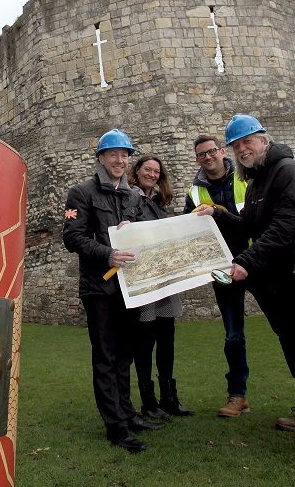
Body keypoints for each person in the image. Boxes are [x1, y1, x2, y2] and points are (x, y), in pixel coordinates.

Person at [196, 115, 295, 470]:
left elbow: (285, 226)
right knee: (294, 344)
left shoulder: (288, 172)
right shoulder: (257, 183)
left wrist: (244, 262)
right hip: (284, 274)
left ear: (264, 140)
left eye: (247, 142)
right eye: (236, 145)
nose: (242, 149)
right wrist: (217, 213)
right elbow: (252, 225)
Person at [63, 130, 166, 454]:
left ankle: (129, 414)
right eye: (113, 154)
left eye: (125, 155)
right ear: (101, 158)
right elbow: (72, 237)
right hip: (98, 289)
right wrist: (107, 253)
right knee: (106, 357)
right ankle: (116, 427)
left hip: (129, 288)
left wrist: (134, 231)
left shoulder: (134, 198)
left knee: (125, 356)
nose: (120, 160)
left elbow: (146, 235)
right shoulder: (81, 193)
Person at [184, 135, 251, 418]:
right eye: (202, 154)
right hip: (223, 270)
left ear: (222, 152)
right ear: (197, 159)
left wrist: (219, 214)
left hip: (257, 262)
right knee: (233, 335)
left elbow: (256, 223)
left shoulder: (248, 180)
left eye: (212, 151)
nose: (208, 157)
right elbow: (188, 231)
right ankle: (237, 396)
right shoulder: (195, 193)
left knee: (287, 330)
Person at [128, 154, 193, 419]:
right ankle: (148, 400)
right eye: (148, 169)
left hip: (165, 280)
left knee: (167, 339)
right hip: (144, 282)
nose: (152, 175)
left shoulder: (157, 202)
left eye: (157, 171)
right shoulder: (129, 197)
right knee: (145, 341)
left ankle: (168, 397)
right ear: (138, 170)